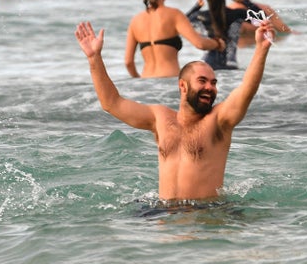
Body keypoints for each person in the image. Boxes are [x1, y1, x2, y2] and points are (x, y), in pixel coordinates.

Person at [75, 18, 274, 201]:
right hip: (163, 212)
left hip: (205, 214)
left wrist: (261, 49)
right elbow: (111, 103)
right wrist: (94, 59)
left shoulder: (218, 121)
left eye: (214, 83)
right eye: (202, 81)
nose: (210, 88)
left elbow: (246, 90)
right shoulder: (159, 118)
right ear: (183, 86)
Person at [125, 0, 225, 78]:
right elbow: (199, 43)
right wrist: (218, 44)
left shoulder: (135, 21)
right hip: (169, 81)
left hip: (146, 83)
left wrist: (138, 80)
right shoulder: (174, 15)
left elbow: (128, 62)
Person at [186, 0, 263, 70]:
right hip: (230, 67)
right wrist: (243, 0)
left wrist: (197, 5)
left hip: (207, 67)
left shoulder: (200, 16)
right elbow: (263, 18)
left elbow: (180, 23)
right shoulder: (237, 14)